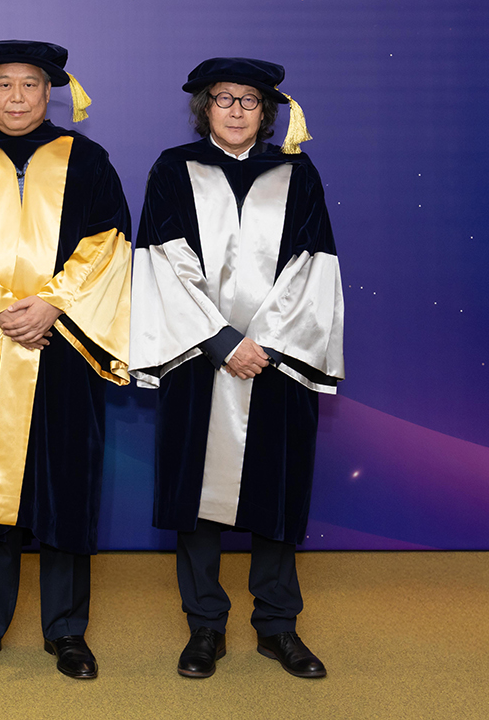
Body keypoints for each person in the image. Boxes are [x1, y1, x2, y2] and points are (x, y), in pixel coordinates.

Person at [0, 40, 133, 680]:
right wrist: (3, 308)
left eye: (30, 84)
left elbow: (110, 242)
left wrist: (54, 303)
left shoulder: (87, 160)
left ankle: (68, 631)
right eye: (3, 84)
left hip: (65, 346)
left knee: (67, 484)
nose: (16, 97)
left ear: (50, 91)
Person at [128, 57, 345, 680]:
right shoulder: (174, 168)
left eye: (249, 100)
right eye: (223, 98)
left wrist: (264, 344)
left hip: (277, 361)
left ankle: (278, 626)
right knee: (196, 494)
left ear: (266, 111)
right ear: (205, 108)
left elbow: (313, 262)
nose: (236, 110)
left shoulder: (297, 172)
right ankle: (205, 626)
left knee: (277, 490)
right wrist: (223, 340)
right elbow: (162, 259)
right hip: (198, 355)